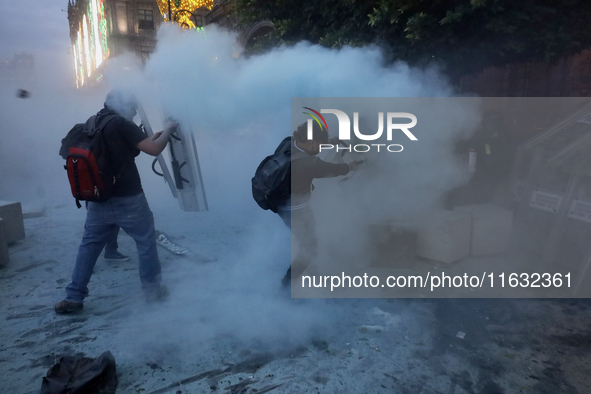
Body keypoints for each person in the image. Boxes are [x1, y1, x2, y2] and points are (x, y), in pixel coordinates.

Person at [55, 89, 178, 314]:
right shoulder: (122, 123)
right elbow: (154, 150)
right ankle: (152, 291)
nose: (133, 113)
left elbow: (116, 148)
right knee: (146, 242)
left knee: (88, 247)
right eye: (132, 108)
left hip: (97, 200)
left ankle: (73, 297)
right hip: (129, 198)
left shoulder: (93, 122)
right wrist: (169, 129)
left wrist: (151, 137)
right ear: (124, 107)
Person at [276, 121, 361, 287]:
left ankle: (311, 270)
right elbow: (333, 169)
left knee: (308, 241)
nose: (322, 149)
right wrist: (350, 167)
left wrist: (331, 142)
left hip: (282, 205)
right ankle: (287, 284)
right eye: (321, 145)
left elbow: (310, 145)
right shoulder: (308, 163)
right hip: (297, 210)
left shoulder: (288, 142)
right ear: (312, 142)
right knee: (311, 248)